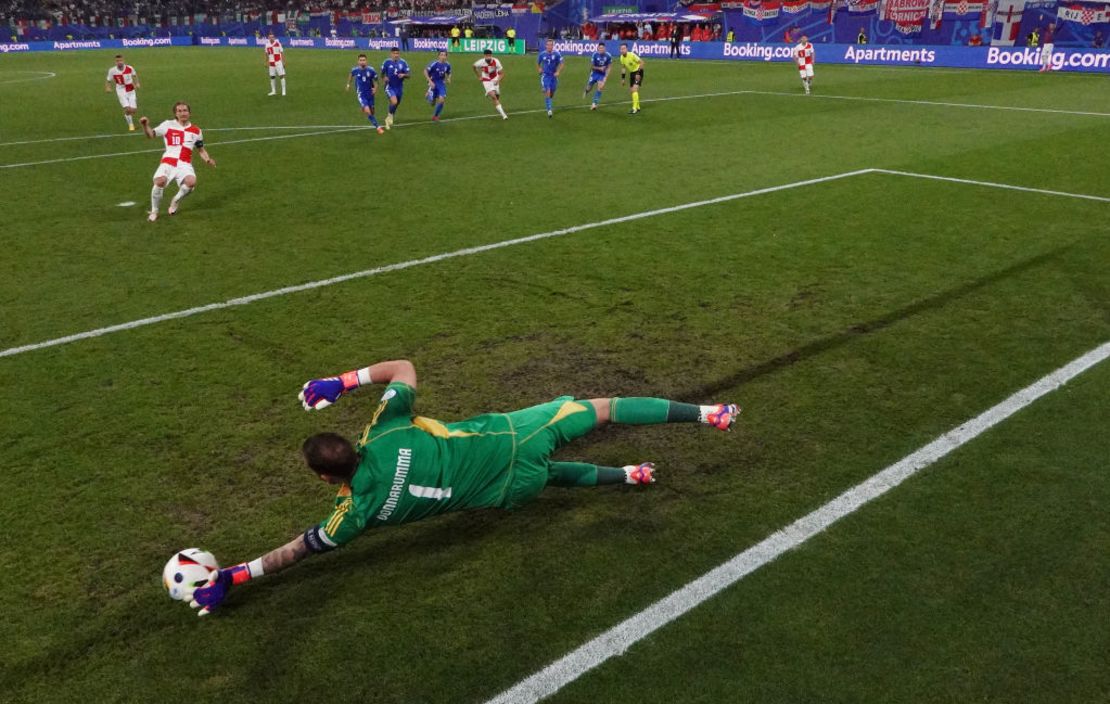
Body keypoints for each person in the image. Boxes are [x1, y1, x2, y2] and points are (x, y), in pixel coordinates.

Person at [186, 359, 740, 616]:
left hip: (507, 489)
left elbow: (302, 549)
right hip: (511, 436)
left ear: (329, 478)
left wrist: (235, 575)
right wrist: (342, 381)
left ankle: (627, 475)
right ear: (351, 447)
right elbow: (404, 368)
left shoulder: (353, 514)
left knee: (547, 480)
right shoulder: (385, 429)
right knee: (605, 407)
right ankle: (708, 415)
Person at [138, 102, 215, 223]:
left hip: (185, 163)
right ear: (175, 113)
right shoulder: (168, 125)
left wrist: (207, 159)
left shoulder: (196, 130)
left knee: (191, 182)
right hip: (169, 161)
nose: (182, 113)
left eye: (185, 110)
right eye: (179, 111)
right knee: (160, 181)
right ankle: (154, 211)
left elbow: (201, 149)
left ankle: (175, 201)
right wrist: (145, 125)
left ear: (189, 113)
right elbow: (151, 135)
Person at [346, 53, 384, 134]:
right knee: (368, 111)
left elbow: (377, 81)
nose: (362, 62)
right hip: (361, 94)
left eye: (364, 60)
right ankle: (378, 127)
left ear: (366, 61)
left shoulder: (371, 70)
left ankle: (364, 107)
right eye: (361, 60)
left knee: (372, 111)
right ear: (358, 61)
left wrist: (375, 89)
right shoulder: (355, 70)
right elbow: (351, 74)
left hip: (370, 94)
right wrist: (348, 85)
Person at [104, 54, 140, 131]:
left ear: (123, 61)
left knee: (133, 110)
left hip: (130, 89)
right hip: (121, 90)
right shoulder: (112, 70)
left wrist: (137, 83)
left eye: (121, 60)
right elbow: (108, 80)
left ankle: (128, 116)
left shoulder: (129, 68)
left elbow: (134, 75)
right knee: (127, 109)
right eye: (117, 61)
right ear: (115, 62)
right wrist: (107, 87)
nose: (119, 62)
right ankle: (131, 125)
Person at [473, 49, 509, 119]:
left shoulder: (496, 61)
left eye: (489, 55)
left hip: (495, 78)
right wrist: (479, 76)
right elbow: (473, 67)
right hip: (486, 80)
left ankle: (489, 92)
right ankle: (504, 115)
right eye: (487, 56)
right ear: (484, 56)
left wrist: (498, 80)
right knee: (493, 97)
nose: (488, 57)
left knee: (497, 96)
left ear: (491, 56)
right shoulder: (480, 62)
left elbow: (502, 74)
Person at [381, 47, 410, 130]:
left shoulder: (403, 63)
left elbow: (409, 75)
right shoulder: (386, 62)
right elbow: (382, 74)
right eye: (394, 53)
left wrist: (404, 75)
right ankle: (388, 118)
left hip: (399, 87)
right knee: (394, 101)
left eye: (397, 53)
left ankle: (390, 116)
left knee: (396, 104)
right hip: (389, 86)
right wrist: (384, 78)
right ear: (391, 54)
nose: (396, 55)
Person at [537, 37, 563, 117]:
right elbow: (538, 63)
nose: (549, 46)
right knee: (548, 91)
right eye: (548, 45)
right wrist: (539, 69)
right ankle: (549, 110)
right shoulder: (542, 54)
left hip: (553, 76)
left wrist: (558, 71)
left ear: (553, 46)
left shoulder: (557, 54)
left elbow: (562, 64)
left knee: (551, 93)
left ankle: (547, 96)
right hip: (545, 76)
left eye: (551, 45)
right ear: (546, 46)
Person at [583, 41, 612, 111]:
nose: (601, 49)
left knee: (600, 87)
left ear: (605, 48)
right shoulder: (595, 55)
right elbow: (592, 67)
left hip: (602, 74)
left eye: (602, 48)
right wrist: (600, 68)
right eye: (600, 48)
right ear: (598, 48)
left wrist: (606, 77)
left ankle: (594, 104)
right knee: (589, 88)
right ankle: (586, 91)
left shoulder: (608, 56)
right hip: (594, 73)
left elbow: (609, 67)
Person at [424, 50, 452, 121]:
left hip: (441, 84)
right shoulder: (434, 64)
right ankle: (429, 96)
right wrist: (429, 81)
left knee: (441, 100)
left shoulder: (447, 65)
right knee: (432, 103)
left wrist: (448, 78)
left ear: (446, 56)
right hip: (433, 83)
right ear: (438, 56)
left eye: (444, 55)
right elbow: (425, 71)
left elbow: (449, 72)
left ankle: (435, 116)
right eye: (441, 55)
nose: (443, 56)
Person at [618, 43, 644, 114]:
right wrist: (623, 79)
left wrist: (638, 74)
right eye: (621, 49)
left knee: (635, 89)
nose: (622, 50)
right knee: (632, 90)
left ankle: (634, 108)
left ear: (627, 49)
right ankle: (638, 107)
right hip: (632, 73)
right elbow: (623, 68)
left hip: (638, 72)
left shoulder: (632, 55)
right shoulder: (621, 58)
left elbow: (642, 62)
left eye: (624, 48)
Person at [264, 32, 286, 96]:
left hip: (278, 62)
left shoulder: (278, 43)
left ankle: (283, 91)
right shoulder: (267, 45)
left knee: (281, 76)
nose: (271, 38)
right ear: (268, 38)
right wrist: (266, 62)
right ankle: (273, 91)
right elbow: (266, 54)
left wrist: (283, 62)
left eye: (272, 37)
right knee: (272, 77)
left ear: (274, 37)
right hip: (271, 63)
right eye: (270, 37)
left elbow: (282, 53)